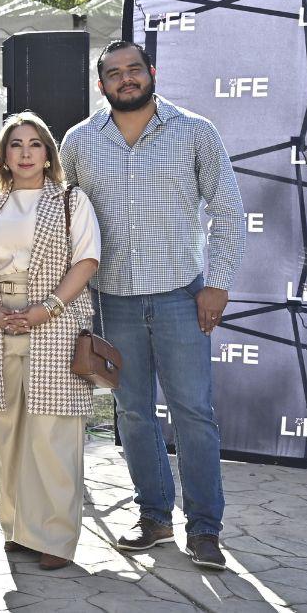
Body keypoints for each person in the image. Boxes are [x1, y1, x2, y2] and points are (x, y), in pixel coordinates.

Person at [60, 40, 245, 571]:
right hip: (111, 302)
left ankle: (206, 529)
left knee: (193, 414)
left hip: (180, 298)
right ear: (102, 85)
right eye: (113, 74)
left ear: (151, 73)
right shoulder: (79, 141)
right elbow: (62, 214)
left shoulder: (194, 131)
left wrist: (219, 283)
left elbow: (228, 210)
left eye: (133, 70)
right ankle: (155, 517)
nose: (125, 80)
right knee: (134, 414)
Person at [0, 112, 99, 570]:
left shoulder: (70, 201)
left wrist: (45, 310)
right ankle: (19, 529)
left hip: (55, 323)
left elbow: (86, 261)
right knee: (9, 433)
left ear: (48, 153)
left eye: (34, 144)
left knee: (53, 435)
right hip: (0, 325)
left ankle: (56, 540)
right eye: (15, 144)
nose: (25, 153)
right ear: (4, 154)